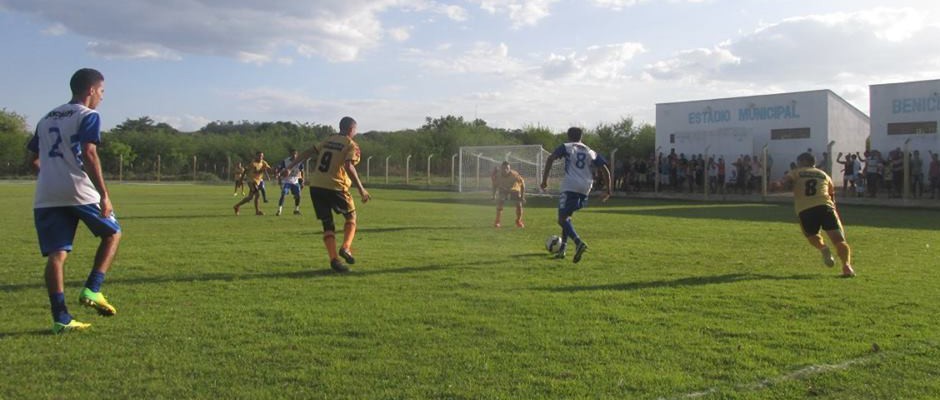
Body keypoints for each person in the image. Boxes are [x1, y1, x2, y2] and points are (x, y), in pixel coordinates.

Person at [27, 68, 122, 334]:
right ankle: (93, 289)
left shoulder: (46, 118)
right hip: (78, 188)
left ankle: (61, 319)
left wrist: (51, 175)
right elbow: (90, 153)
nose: (102, 97)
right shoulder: (88, 115)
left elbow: (32, 160)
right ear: (91, 90)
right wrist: (104, 194)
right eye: (102, 91)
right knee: (113, 233)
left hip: (46, 194)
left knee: (57, 255)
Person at [284, 117, 371, 272]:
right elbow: (348, 165)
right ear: (351, 129)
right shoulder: (351, 145)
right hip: (336, 186)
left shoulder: (328, 140)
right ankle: (345, 248)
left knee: (327, 223)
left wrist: (290, 166)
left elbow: (309, 151)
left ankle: (334, 260)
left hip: (316, 185)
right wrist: (361, 189)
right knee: (351, 217)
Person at [774, 152, 855, 277]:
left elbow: (784, 182)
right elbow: (831, 196)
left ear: (802, 162)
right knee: (839, 240)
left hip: (806, 210)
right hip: (826, 207)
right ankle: (847, 267)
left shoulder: (796, 172)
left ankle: (823, 248)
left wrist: (778, 184)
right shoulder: (824, 175)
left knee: (812, 236)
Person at [539, 127, 612, 263]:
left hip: (570, 185)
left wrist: (544, 181)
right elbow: (605, 170)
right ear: (581, 137)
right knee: (567, 217)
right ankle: (563, 249)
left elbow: (550, 158)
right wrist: (608, 190)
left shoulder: (566, 146)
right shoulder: (590, 151)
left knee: (561, 219)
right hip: (586, 187)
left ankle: (578, 243)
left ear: (568, 136)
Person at [233, 151, 274, 215]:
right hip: (251, 181)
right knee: (257, 195)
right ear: (256, 156)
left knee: (250, 197)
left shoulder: (263, 162)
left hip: (258, 181)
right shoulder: (253, 163)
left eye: (262, 156)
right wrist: (241, 181)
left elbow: (269, 169)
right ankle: (257, 211)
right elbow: (246, 171)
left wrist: (277, 171)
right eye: (259, 156)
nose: (261, 157)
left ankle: (236, 206)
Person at [491, 161, 526, 228]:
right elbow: (494, 185)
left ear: (509, 168)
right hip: (503, 190)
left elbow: (523, 185)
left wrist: (522, 196)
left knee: (519, 204)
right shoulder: (498, 175)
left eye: (507, 168)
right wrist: (493, 196)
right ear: (501, 168)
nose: (505, 170)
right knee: (500, 201)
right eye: (503, 168)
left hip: (514, 190)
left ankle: (518, 221)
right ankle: (497, 221)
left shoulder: (515, 175)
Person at [275, 149, 304, 216]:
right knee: (283, 194)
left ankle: (296, 210)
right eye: (293, 154)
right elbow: (278, 170)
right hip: (286, 181)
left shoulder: (299, 161)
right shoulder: (285, 161)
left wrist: (302, 180)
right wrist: (279, 177)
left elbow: (302, 171)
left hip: (295, 181)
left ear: (297, 154)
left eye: (295, 154)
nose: (294, 156)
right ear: (290, 154)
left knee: (298, 195)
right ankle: (279, 210)